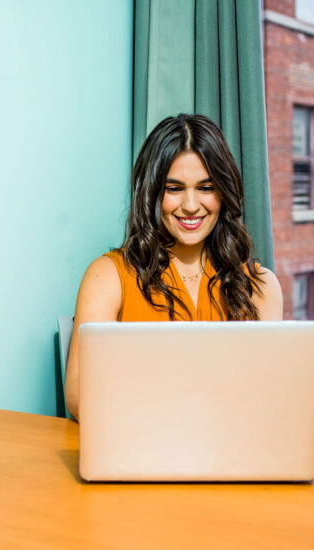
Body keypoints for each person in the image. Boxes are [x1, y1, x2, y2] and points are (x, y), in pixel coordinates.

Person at [65, 114, 283, 419]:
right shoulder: (108, 276)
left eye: (206, 187)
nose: (191, 205)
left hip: (232, 453)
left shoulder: (260, 285)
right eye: (174, 188)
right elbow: (79, 397)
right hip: (139, 447)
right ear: (153, 193)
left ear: (224, 192)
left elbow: (268, 398)